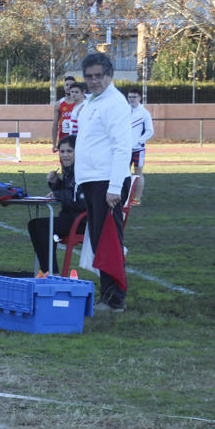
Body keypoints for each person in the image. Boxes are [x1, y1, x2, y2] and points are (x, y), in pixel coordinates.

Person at [74, 52, 132, 312]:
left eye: (99, 76)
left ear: (110, 75)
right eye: (89, 76)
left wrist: (114, 188)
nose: (94, 81)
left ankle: (114, 299)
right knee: (98, 242)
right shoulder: (91, 102)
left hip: (107, 182)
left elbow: (122, 148)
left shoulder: (115, 104)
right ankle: (108, 295)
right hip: (92, 181)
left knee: (108, 242)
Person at [28, 135, 86, 275]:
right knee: (33, 224)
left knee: (43, 226)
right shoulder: (69, 169)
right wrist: (56, 183)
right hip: (70, 217)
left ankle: (51, 272)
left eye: (69, 151)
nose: (65, 155)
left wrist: (58, 194)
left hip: (83, 221)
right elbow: (70, 191)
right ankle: (46, 271)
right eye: (62, 151)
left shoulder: (84, 171)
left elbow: (82, 201)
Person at [127, 88, 154, 206]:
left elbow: (150, 131)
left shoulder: (144, 113)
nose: (131, 99)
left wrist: (139, 142)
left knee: (138, 172)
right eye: (130, 97)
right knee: (124, 172)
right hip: (125, 149)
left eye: (134, 97)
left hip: (138, 149)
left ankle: (137, 198)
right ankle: (126, 196)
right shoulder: (124, 110)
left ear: (139, 98)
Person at [51, 75, 78, 152]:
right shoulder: (58, 104)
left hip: (76, 136)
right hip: (63, 136)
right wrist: (54, 144)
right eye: (67, 85)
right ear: (64, 87)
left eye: (71, 85)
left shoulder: (79, 103)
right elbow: (55, 125)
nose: (68, 87)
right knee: (65, 159)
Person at [55, 82, 86, 149]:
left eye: (76, 92)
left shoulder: (83, 107)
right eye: (72, 92)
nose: (73, 94)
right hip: (73, 139)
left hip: (80, 141)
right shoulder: (75, 106)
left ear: (83, 93)